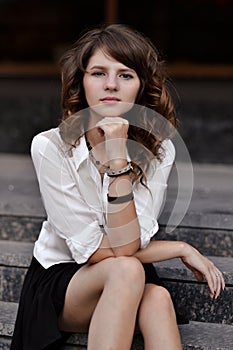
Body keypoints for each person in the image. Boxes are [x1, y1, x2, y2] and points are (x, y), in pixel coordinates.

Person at [10, 23, 225, 350]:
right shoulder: (50, 147)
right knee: (126, 270)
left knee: (157, 299)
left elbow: (125, 246)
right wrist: (179, 248)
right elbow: (94, 251)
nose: (111, 85)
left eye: (125, 75)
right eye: (98, 73)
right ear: (81, 82)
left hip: (127, 270)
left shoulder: (160, 149)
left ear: (141, 86)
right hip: (63, 283)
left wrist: (117, 152)